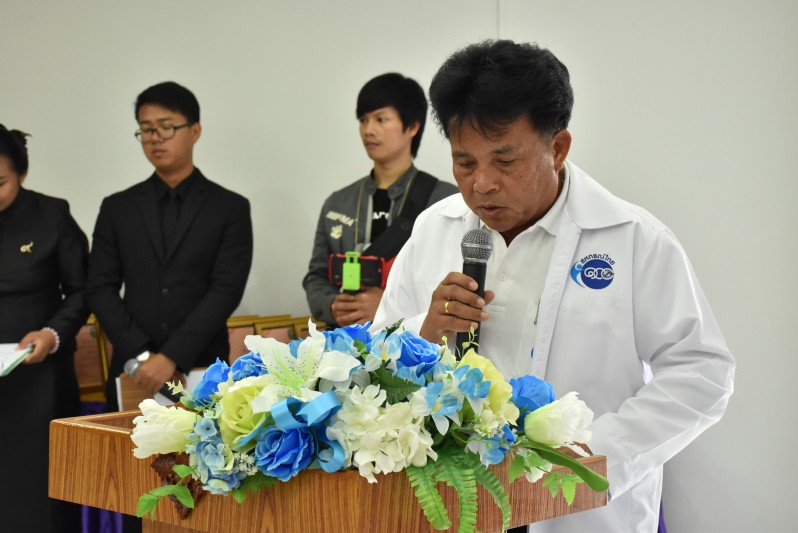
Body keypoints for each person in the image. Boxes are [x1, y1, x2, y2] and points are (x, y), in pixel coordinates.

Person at [373, 40, 735, 532]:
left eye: (505, 161)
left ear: (557, 148)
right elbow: (374, 355)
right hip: (455, 503)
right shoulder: (435, 229)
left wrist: (592, 455)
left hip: (582, 511)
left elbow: (702, 373)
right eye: (465, 163)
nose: (482, 184)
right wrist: (425, 328)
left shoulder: (633, 239)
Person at [86, 81, 253, 410]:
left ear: (195, 131)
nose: (155, 138)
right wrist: (145, 356)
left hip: (202, 365)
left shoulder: (229, 207)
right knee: (125, 444)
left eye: (166, 127)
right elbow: (99, 287)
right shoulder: (118, 207)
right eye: (146, 129)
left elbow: (226, 289)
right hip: (134, 369)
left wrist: (172, 356)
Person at [303, 73, 458, 327]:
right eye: (363, 120)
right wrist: (332, 306)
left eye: (380, 119)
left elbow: (455, 279)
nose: (368, 130)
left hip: (416, 343)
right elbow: (316, 277)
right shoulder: (337, 203)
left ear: (412, 127)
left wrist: (389, 307)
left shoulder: (447, 201)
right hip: (345, 341)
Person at [0, 124, 88, 532]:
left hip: (39, 378)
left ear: (22, 172)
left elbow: (83, 290)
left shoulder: (51, 214)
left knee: (41, 496)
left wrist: (52, 334)